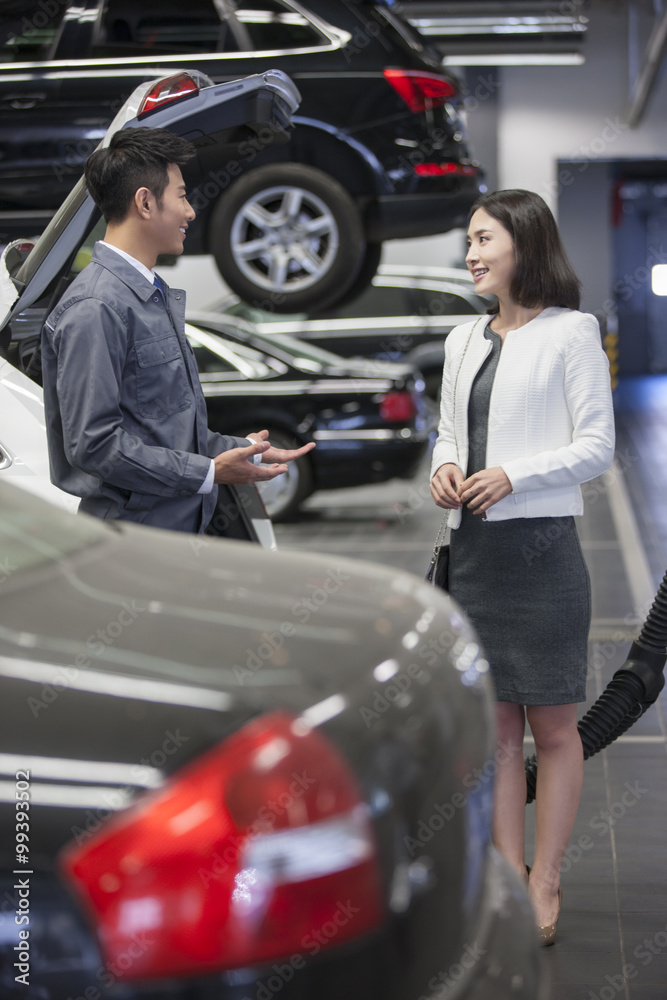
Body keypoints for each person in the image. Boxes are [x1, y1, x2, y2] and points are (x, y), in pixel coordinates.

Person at [429, 189, 615, 944]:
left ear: (522, 244)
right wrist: (443, 467)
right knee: (498, 729)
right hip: (471, 554)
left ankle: (546, 877)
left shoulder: (573, 333)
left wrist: (514, 473)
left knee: (554, 726)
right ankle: (507, 878)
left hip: (541, 554)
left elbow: (595, 445)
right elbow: (447, 431)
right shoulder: (460, 339)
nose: (470, 254)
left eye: (483, 240)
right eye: (468, 242)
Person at [41, 127, 314, 534]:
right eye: (182, 195)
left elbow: (163, 430)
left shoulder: (149, 295)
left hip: (171, 534)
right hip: (132, 542)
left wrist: (245, 451)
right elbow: (94, 445)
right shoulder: (96, 307)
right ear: (146, 202)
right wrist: (207, 472)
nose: (191, 211)